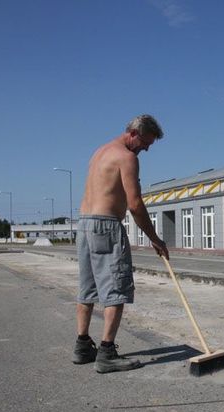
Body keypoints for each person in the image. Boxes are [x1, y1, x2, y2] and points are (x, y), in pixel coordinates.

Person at [72, 114, 169, 373]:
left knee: (88, 288)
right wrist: (155, 239)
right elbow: (135, 205)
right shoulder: (127, 158)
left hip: (84, 224)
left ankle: (82, 347)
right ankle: (106, 353)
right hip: (106, 226)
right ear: (134, 133)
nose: (146, 149)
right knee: (116, 287)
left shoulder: (99, 152)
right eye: (146, 143)